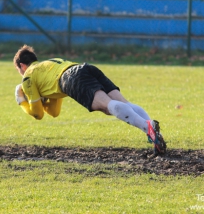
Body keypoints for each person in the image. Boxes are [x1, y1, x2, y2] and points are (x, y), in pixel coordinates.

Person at [13, 45, 166, 155]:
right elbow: (53, 112)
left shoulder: (27, 77)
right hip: (85, 68)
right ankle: (154, 136)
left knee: (107, 106)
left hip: (71, 79)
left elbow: (38, 114)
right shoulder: (48, 65)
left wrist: (22, 100)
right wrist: (43, 99)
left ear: (22, 66)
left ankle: (148, 128)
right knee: (124, 104)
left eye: (19, 71)